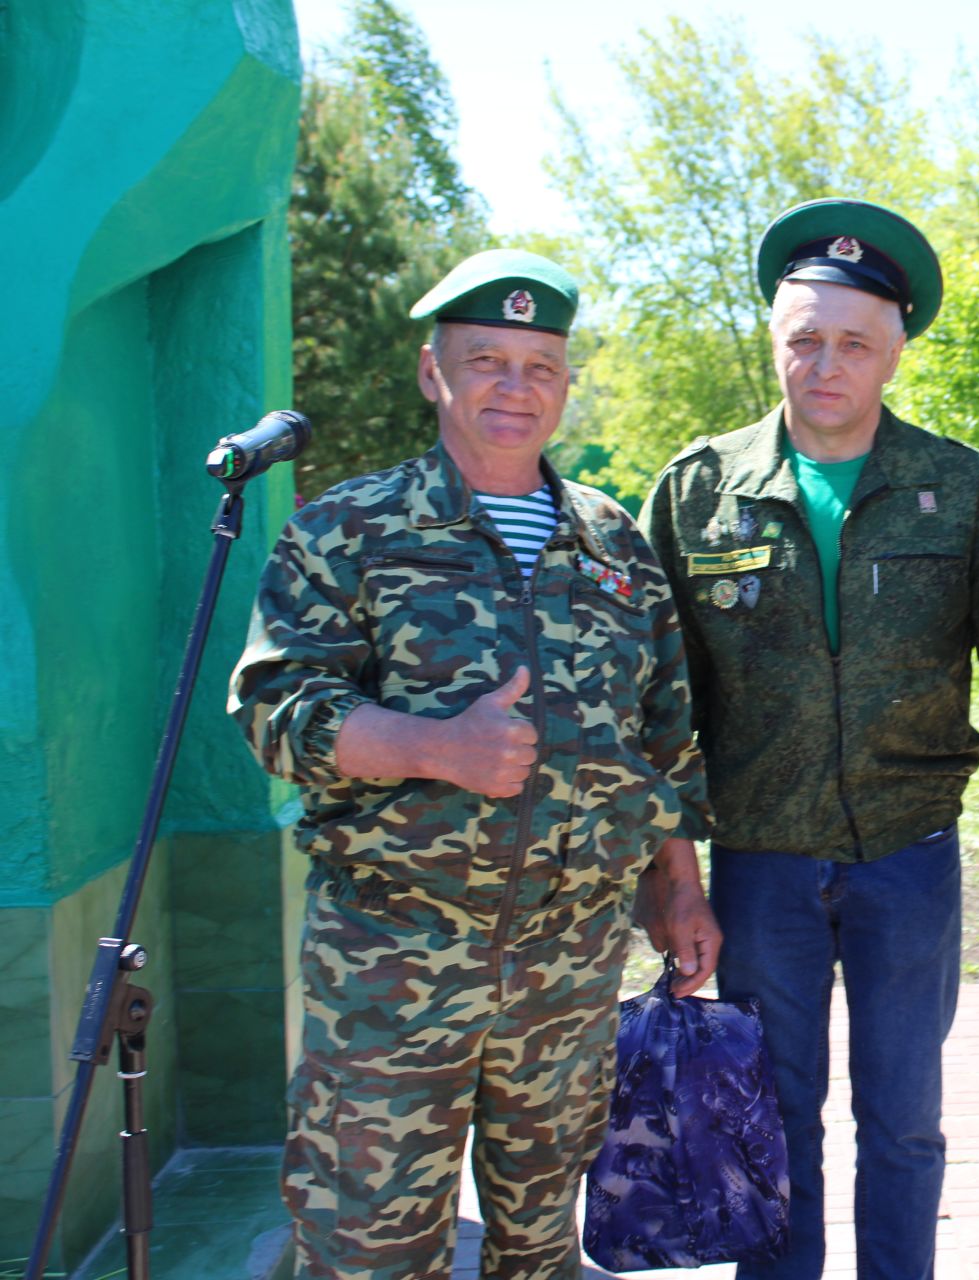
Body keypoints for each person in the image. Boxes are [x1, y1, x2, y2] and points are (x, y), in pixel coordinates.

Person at [229, 249, 719, 1280]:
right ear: (430, 372)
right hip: (391, 964)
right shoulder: (349, 530)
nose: (515, 386)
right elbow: (274, 707)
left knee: (541, 1246)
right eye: (485, 359)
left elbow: (664, 737)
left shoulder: (613, 543)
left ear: (566, 383)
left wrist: (679, 889)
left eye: (540, 365)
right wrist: (433, 746)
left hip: (568, 969)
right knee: (369, 1244)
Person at [640, 200, 979, 1280]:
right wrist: (673, 873)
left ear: (897, 348)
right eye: (804, 337)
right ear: (773, 336)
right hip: (760, 862)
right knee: (776, 1119)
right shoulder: (699, 490)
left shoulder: (965, 491)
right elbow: (658, 704)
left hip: (909, 856)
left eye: (854, 341)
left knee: (904, 1122)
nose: (826, 363)